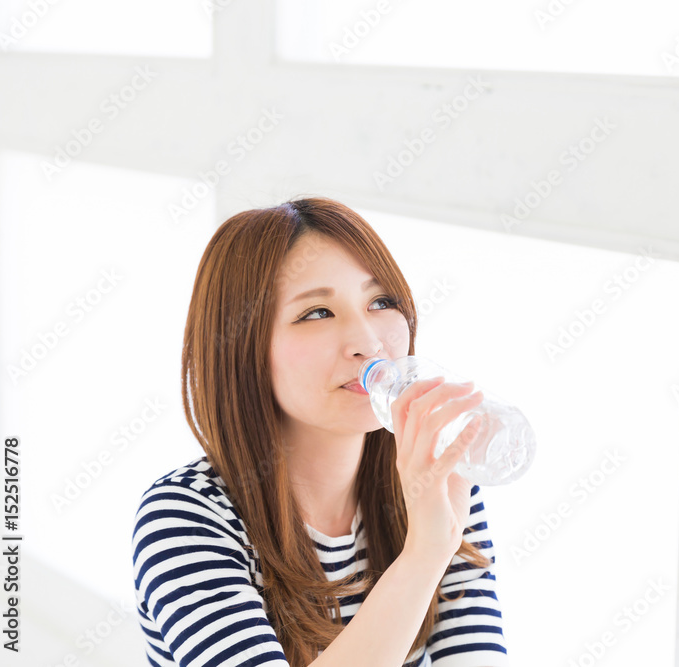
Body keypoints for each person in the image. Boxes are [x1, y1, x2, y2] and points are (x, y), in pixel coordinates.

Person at [131, 197, 509, 667]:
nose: (368, 343)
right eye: (317, 313)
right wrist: (425, 553)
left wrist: (436, 537)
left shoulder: (435, 482)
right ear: (242, 348)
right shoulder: (186, 518)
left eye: (380, 302)